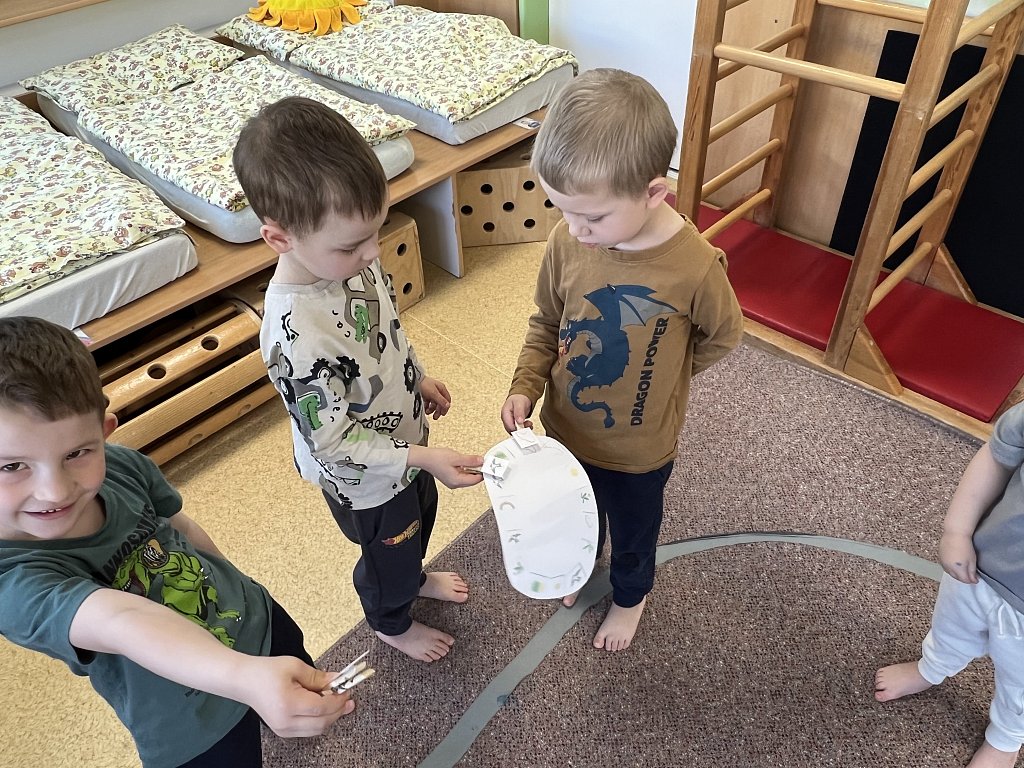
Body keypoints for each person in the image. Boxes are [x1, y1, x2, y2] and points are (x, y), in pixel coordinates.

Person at [0, 316, 354, 768]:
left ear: (104, 432)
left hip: (259, 623)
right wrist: (245, 676)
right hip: (189, 718)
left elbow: (181, 529)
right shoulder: (12, 579)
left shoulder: (122, 465)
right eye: (11, 466)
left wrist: (242, 586)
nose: (55, 491)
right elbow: (120, 619)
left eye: (76, 453)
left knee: (300, 686)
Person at [233, 96, 483, 664]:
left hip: (406, 443)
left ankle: (413, 575)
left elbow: (386, 330)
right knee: (387, 552)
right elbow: (333, 441)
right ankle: (390, 620)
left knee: (419, 519)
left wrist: (417, 377)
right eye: (352, 245)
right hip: (364, 479)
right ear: (280, 239)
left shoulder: (349, 263)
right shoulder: (297, 336)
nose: (373, 253)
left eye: (376, 231)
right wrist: (425, 457)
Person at [501, 69, 743, 652]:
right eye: (563, 210)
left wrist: (670, 377)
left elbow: (723, 335)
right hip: (565, 430)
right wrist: (525, 384)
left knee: (634, 536)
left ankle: (631, 597)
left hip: (639, 451)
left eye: (594, 217)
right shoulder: (567, 241)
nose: (576, 230)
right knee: (576, 515)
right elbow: (547, 320)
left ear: (654, 193)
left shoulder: (694, 267)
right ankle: (582, 565)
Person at [875, 401, 1024, 768]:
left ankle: (1006, 740)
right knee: (951, 629)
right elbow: (997, 457)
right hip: (980, 568)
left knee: (1020, 686)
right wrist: (956, 530)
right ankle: (931, 667)